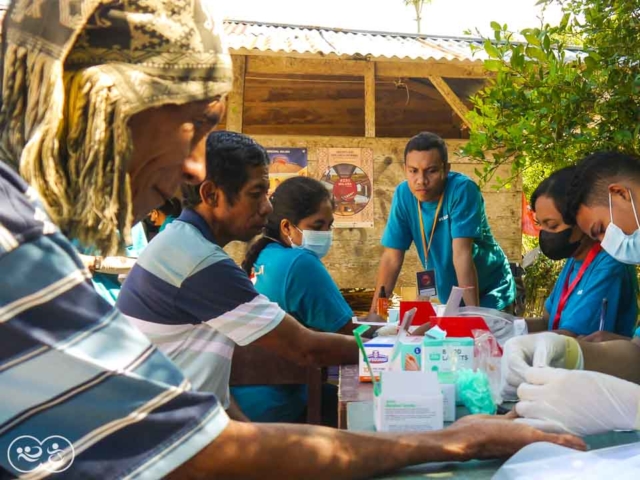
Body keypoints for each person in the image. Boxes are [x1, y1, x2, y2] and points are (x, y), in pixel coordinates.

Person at [0, 2, 585, 477]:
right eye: (198, 124)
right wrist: (456, 440)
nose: (197, 170)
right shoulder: (18, 251)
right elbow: (203, 446)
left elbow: (191, 417)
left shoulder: (38, 240)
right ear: (112, 101)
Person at [117, 131, 361, 422]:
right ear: (210, 195)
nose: (267, 208)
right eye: (256, 194)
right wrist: (389, 350)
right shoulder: (200, 261)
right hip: (157, 434)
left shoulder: (180, 243)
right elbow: (306, 348)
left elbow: (212, 394)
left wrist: (252, 437)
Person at [502, 152, 640, 436]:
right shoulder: (574, 263)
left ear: (620, 195)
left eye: (601, 230)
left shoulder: (609, 265)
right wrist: (572, 355)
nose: (605, 245)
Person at [233, 176, 356, 424]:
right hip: (282, 406)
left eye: (329, 226)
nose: (325, 234)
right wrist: (389, 335)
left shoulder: (263, 256)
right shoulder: (300, 264)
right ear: (287, 227)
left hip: (242, 401)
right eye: (317, 225)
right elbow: (349, 334)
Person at [371, 132, 515, 312]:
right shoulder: (403, 195)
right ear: (405, 169)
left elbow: (462, 254)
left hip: (490, 294)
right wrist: (375, 313)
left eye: (431, 171)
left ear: (446, 169)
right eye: (413, 171)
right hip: (452, 300)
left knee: (479, 336)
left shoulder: (462, 190)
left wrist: (473, 315)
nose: (421, 180)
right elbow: (392, 258)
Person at [527, 166, 637, 337]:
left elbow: (571, 337)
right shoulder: (575, 257)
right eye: (541, 225)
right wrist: (502, 324)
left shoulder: (610, 263)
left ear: (579, 219)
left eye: (553, 225)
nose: (546, 234)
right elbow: (547, 321)